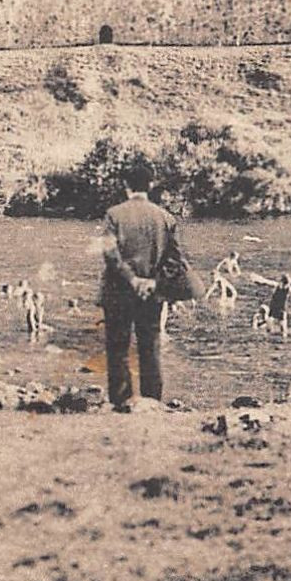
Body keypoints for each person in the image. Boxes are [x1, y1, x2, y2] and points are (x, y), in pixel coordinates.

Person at [99, 166, 185, 411]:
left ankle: (121, 403)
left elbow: (110, 254)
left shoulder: (114, 214)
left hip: (118, 292)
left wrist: (131, 279)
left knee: (118, 348)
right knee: (150, 348)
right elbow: (175, 260)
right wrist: (154, 282)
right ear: (150, 186)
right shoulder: (166, 217)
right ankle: (153, 404)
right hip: (152, 293)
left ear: (127, 185)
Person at [252, 273, 291, 341]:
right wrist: (258, 279)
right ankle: (276, 336)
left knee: (281, 326)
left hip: (280, 308)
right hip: (275, 308)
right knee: (274, 325)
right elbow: (266, 282)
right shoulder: (278, 286)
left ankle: (280, 338)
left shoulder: (287, 288)